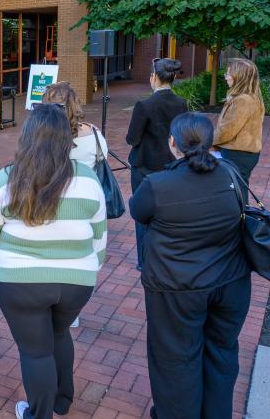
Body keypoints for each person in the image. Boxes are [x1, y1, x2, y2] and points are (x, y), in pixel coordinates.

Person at [0, 103, 106, 419]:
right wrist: (92, 266)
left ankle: (38, 414)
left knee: (35, 351)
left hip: (20, 281)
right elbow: (99, 235)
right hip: (76, 281)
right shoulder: (87, 179)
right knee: (60, 334)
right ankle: (63, 400)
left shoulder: (7, 179)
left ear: (27, 137)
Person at [130, 112, 250, 419]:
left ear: (173, 143)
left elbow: (138, 212)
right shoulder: (231, 174)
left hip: (177, 288)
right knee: (222, 354)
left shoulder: (157, 184)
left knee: (176, 360)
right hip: (230, 283)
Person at [125, 57, 187, 270]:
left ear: (153, 77)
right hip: (171, 165)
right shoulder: (182, 103)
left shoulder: (144, 105)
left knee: (143, 214)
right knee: (166, 213)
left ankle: (144, 261)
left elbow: (132, 139)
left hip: (144, 168)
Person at [213, 58, 264, 201]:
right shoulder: (250, 97)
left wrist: (206, 141)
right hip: (243, 154)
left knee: (235, 195)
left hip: (238, 154)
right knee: (238, 191)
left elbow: (226, 131)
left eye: (229, 73)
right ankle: (241, 220)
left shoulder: (243, 100)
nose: (226, 76)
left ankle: (241, 222)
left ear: (239, 76)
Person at [43, 81, 108, 169]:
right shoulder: (94, 134)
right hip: (88, 181)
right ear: (75, 105)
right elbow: (103, 160)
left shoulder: (38, 137)